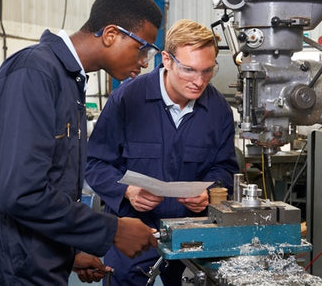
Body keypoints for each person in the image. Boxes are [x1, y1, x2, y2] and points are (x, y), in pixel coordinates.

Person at [0, 0, 163, 285]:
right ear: (111, 34)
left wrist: (68, 254)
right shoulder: (34, 73)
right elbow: (20, 193)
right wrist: (113, 230)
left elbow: (51, 183)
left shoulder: (69, 81)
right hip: (11, 266)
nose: (144, 62)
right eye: (142, 48)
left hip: (37, 256)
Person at [86, 19, 239, 285]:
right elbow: (95, 163)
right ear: (166, 59)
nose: (199, 81)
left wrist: (209, 193)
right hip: (134, 234)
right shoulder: (127, 100)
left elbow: (225, 168)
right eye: (189, 70)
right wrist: (127, 192)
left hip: (194, 236)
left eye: (207, 70)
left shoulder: (218, 110)